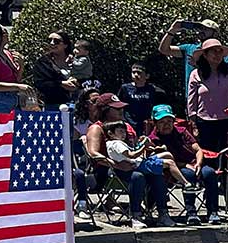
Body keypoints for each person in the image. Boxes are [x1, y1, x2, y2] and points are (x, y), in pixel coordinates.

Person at [86, 93, 169, 230]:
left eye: (121, 108)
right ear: (105, 110)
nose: (121, 111)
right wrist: (114, 163)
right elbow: (93, 153)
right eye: (116, 109)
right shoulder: (97, 128)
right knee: (138, 176)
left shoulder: (126, 127)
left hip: (133, 164)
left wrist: (145, 145)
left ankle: (163, 214)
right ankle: (135, 216)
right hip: (109, 170)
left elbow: (134, 148)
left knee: (158, 172)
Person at [146, 104, 221, 225]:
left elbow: (198, 150)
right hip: (173, 169)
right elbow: (162, 160)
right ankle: (191, 213)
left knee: (210, 173)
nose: (166, 124)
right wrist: (185, 165)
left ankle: (213, 212)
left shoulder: (182, 132)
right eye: (162, 122)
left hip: (193, 163)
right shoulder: (153, 139)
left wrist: (199, 163)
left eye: (169, 121)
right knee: (189, 175)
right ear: (155, 123)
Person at [186, 38, 228, 155]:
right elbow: (191, 101)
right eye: (213, 51)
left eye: (219, 51)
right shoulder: (196, 74)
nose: (217, 54)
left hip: (227, 121)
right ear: (205, 55)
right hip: (205, 122)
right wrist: (193, 123)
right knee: (208, 155)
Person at [32, 31, 80, 110]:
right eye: (49, 40)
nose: (52, 43)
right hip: (52, 105)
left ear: (65, 45)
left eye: (56, 41)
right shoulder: (43, 62)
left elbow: (88, 77)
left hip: (79, 105)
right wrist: (61, 84)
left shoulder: (78, 60)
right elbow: (40, 83)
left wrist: (77, 82)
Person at [118, 61, 166, 134]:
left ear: (147, 76)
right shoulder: (125, 88)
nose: (136, 75)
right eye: (133, 72)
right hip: (129, 123)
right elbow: (119, 104)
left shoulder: (152, 89)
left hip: (146, 125)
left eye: (139, 73)